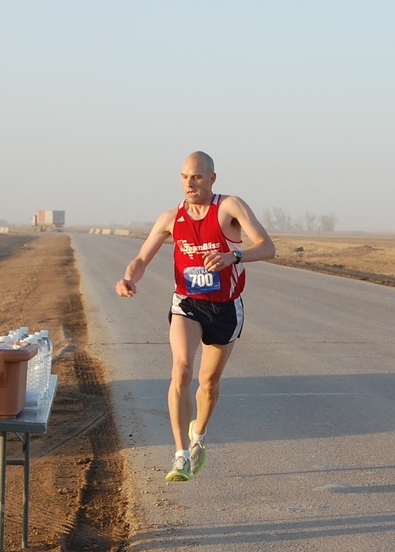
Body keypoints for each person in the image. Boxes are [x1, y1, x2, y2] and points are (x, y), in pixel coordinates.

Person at [115, 151, 277, 481]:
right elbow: (141, 258)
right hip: (187, 303)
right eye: (184, 177)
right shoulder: (170, 218)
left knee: (208, 383)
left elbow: (268, 247)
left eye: (197, 177)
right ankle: (180, 456)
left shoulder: (230, 207)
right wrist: (129, 278)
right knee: (181, 369)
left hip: (225, 308)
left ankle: (198, 437)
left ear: (212, 178)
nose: (190, 183)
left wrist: (234, 256)